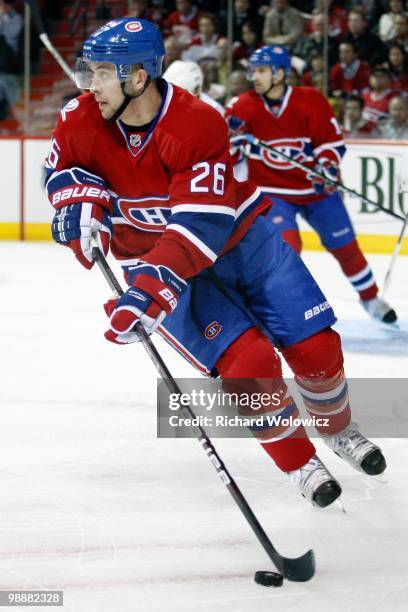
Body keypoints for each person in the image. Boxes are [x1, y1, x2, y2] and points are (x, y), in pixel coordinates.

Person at [45, 18, 386, 511]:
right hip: (151, 258)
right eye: (90, 71)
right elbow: (61, 174)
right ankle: (298, 461)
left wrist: (149, 290)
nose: (89, 84)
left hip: (242, 245)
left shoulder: (196, 120)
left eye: (102, 72)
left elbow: (199, 228)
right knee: (248, 367)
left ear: (138, 77)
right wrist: (78, 207)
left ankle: (338, 429)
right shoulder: (79, 118)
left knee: (318, 350)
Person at [225, 45, 398, 324]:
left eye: (260, 70)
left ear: (280, 73)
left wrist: (327, 167)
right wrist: (234, 140)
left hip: (316, 191)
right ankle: (286, 308)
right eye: (251, 70)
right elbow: (227, 157)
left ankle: (370, 298)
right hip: (274, 193)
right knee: (286, 248)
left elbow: (330, 143)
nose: (252, 76)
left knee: (345, 246)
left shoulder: (310, 100)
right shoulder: (241, 106)